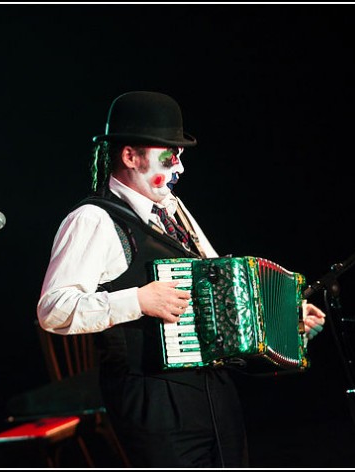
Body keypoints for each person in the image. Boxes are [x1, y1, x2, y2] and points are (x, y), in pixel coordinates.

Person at [37, 91, 326, 467]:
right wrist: (137, 301)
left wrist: (287, 321)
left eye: (180, 156)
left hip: (214, 394)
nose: (179, 168)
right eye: (168, 156)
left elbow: (221, 285)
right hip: (153, 398)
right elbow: (52, 309)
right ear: (130, 156)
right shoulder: (92, 220)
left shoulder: (173, 209)